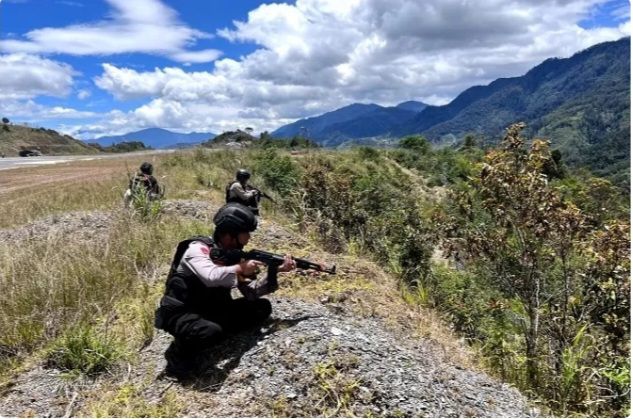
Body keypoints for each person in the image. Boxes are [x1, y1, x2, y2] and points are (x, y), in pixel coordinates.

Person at [155, 202, 296, 377]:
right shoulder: (197, 249)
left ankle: (214, 330)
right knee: (210, 332)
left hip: (211, 308)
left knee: (262, 307)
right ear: (229, 234)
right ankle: (177, 356)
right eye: (245, 233)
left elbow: (251, 293)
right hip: (181, 312)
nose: (248, 238)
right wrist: (241, 268)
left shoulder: (232, 255)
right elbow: (211, 276)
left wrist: (275, 270)